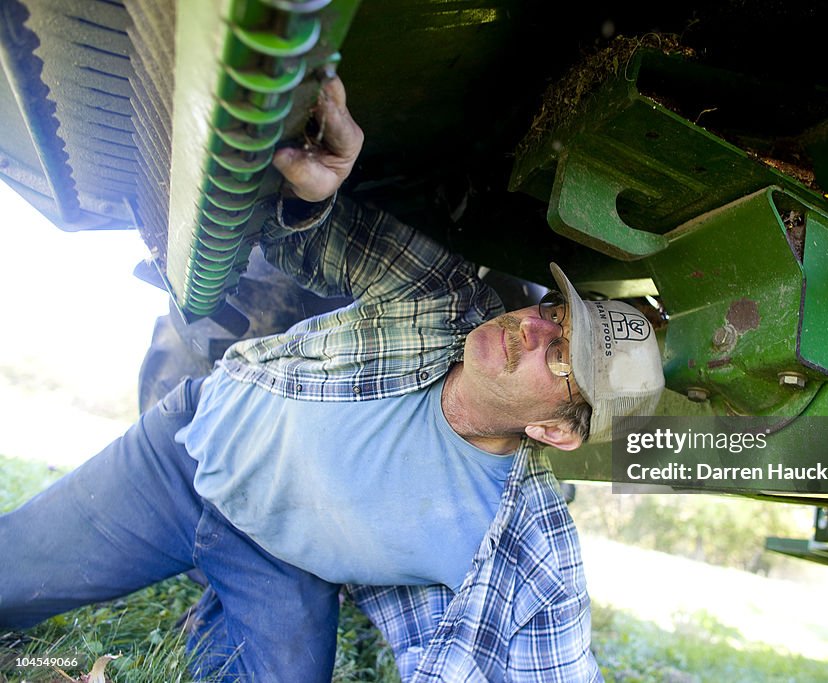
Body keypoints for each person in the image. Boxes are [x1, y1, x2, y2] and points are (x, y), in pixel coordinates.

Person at [0, 77, 664, 682]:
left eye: (558, 358)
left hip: (281, 563)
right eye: (552, 313)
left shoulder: (523, 535)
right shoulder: (438, 297)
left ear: (551, 427)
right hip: (186, 454)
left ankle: (215, 627)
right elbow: (306, 239)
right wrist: (316, 191)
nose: (531, 330)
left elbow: (561, 665)